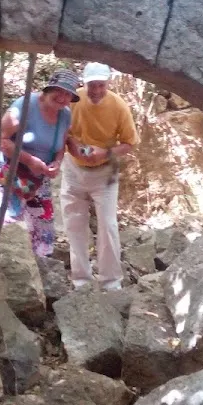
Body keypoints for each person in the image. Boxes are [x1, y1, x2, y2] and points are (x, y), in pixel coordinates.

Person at [62, 62, 138, 290]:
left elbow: (129, 143)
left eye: (101, 85)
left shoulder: (118, 106)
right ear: (84, 84)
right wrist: (75, 147)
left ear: (108, 83)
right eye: (92, 85)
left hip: (105, 172)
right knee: (74, 224)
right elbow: (64, 132)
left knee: (108, 225)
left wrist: (104, 153)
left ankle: (111, 282)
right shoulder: (73, 101)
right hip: (74, 169)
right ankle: (81, 281)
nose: (96, 90)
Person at [0, 69, 78, 257]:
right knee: (9, 224)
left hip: (40, 177)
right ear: (48, 89)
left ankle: (40, 264)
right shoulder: (24, 106)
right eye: (59, 91)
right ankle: (4, 262)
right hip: (12, 172)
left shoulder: (65, 115)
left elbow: (61, 144)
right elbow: (1, 139)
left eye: (68, 94)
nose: (62, 98)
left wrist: (57, 163)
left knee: (44, 226)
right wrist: (30, 160)